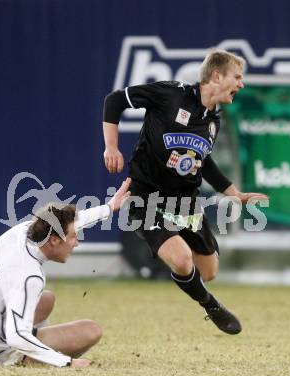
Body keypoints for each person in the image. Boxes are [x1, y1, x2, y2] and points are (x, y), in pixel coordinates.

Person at [102, 49, 268, 335]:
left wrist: (232, 192)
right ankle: (211, 306)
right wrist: (112, 147)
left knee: (209, 271)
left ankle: (183, 269)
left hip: (185, 203)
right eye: (237, 77)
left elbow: (204, 163)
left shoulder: (213, 121)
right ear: (217, 76)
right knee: (181, 260)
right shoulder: (171, 94)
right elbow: (115, 100)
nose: (241, 84)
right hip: (147, 197)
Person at [0, 178, 131, 368]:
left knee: (47, 299)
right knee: (91, 331)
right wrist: (66, 362)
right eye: (73, 237)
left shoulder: (23, 231)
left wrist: (109, 207)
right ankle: (20, 359)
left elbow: (68, 224)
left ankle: (32, 349)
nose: (77, 242)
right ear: (55, 241)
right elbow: (16, 336)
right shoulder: (29, 275)